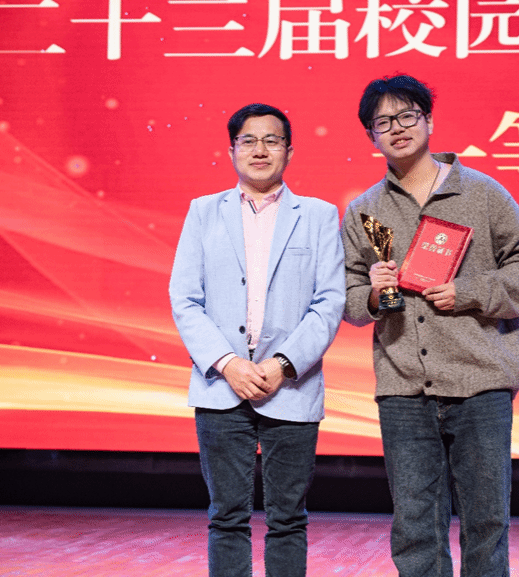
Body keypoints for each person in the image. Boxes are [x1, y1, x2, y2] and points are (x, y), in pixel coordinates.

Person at [340, 75, 519, 577]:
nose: (397, 128)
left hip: (480, 382)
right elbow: (346, 298)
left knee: (486, 523)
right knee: (415, 528)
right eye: (383, 122)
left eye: (407, 115)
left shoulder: (481, 192)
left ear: (429, 121)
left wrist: (470, 292)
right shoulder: (365, 210)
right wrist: (373, 295)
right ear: (371, 136)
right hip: (403, 389)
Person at [169, 103, 345, 577]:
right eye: (248, 140)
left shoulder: (319, 215)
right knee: (226, 516)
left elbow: (330, 301)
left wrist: (282, 364)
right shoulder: (203, 212)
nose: (260, 150)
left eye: (272, 140)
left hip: (291, 386)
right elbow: (185, 298)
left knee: (288, 518)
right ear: (232, 150)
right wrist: (227, 363)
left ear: (289, 150)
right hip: (221, 386)